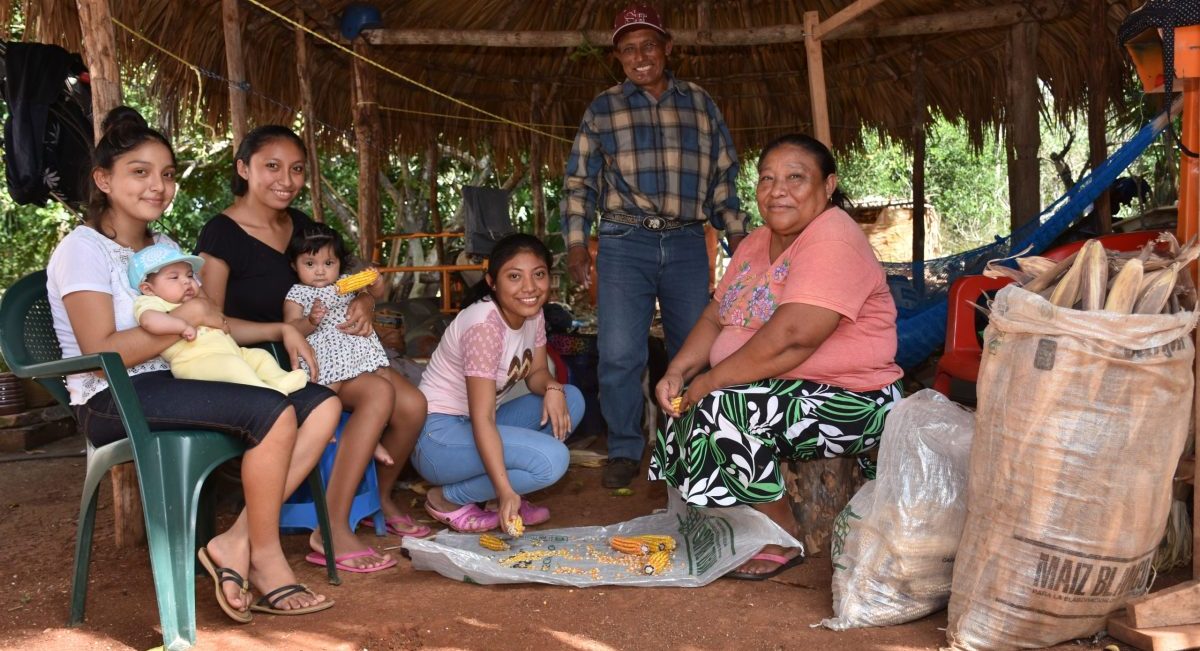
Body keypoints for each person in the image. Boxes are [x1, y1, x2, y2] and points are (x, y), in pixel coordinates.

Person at [47, 106, 334, 620]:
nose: (158, 186)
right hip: (111, 397)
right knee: (272, 410)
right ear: (103, 180)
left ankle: (237, 541)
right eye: (140, 172)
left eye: (167, 174)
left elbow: (212, 322)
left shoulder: (166, 249)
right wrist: (186, 316)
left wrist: (281, 328)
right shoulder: (81, 250)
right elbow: (100, 354)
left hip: (179, 377)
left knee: (319, 405)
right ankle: (266, 559)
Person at [650, 134, 904, 580]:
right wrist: (679, 370)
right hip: (782, 389)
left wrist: (710, 381)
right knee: (683, 406)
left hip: (854, 398)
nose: (777, 189)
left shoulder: (833, 237)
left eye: (794, 177)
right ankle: (728, 516)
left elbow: (793, 338)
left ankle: (779, 533)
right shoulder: (755, 242)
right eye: (767, 178)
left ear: (828, 186)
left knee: (717, 408)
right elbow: (716, 315)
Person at [196, 125, 429, 573]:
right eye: (272, 166)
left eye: (297, 169)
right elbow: (213, 322)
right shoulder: (220, 235)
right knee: (381, 395)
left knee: (414, 405)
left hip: (335, 349)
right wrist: (280, 330)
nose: (286, 179)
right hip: (273, 363)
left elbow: (359, 277)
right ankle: (332, 526)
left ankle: (378, 497)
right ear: (244, 169)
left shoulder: (302, 225)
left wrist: (363, 298)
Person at [561, 3, 749, 489]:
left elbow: (723, 177)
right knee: (621, 353)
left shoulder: (700, 103)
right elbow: (579, 183)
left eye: (648, 45)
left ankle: (687, 443)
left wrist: (739, 239)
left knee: (695, 347)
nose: (639, 56)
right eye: (628, 49)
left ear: (667, 47)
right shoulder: (603, 108)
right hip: (624, 240)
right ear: (618, 57)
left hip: (688, 240)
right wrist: (578, 244)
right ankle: (625, 448)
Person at [412, 234, 585, 533]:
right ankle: (448, 498)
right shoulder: (484, 327)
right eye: (514, 277)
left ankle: (492, 497)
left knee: (570, 399)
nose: (529, 287)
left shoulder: (532, 313)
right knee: (552, 461)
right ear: (492, 282)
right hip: (438, 438)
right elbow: (484, 417)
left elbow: (537, 374)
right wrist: (504, 489)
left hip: (473, 425)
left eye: (539, 274)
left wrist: (553, 388)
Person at [283, 222, 398, 472]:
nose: (320, 272)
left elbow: (379, 293)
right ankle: (319, 427)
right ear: (294, 265)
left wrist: (376, 281)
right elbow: (291, 327)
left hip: (357, 347)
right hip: (325, 354)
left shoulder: (347, 282)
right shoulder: (298, 293)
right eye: (310, 264)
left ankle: (373, 439)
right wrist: (310, 320)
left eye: (329, 263)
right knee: (327, 393)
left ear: (340, 264)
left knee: (384, 378)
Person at [130, 244, 308, 394]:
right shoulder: (152, 302)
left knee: (259, 356)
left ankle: (280, 381)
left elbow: (217, 314)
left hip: (230, 352)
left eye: (189, 275)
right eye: (174, 277)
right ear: (148, 288)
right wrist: (182, 326)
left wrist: (199, 295)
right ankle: (263, 391)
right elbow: (149, 321)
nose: (186, 282)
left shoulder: (195, 300)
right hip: (196, 362)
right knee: (232, 366)